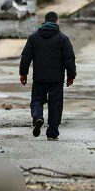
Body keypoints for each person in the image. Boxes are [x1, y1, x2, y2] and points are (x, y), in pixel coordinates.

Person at [19, 11, 76, 140]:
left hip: (39, 78)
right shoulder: (63, 39)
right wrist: (71, 76)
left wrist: (23, 74)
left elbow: (26, 57)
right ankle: (52, 132)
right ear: (56, 21)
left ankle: (38, 117)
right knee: (55, 105)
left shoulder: (34, 37)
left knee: (37, 100)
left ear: (44, 21)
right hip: (56, 79)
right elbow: (69, 59)